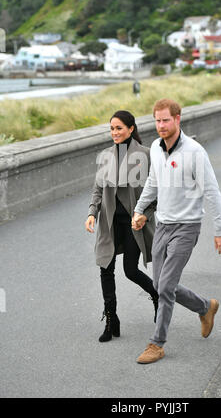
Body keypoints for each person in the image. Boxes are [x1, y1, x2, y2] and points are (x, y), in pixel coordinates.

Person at [131, 98, 221, 364]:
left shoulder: (195, 152)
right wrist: (140, 210)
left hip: (187, 227)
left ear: (177, 119)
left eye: (165, 120)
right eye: (157, 120)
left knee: (165, 289)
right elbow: (153, 182)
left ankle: (157, 344)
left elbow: (212, 191)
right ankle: (205, 307)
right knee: (159, 284)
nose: (161, 125)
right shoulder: (155, 147)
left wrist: (220, 230)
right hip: (162, 224)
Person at [85, 110, 158, 343]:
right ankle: (111, 319)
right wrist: (91, 213)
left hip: (133, 223)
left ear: (131, 129)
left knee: (130, 270)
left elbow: (155, 192)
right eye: (112, 129)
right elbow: (98, 189)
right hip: (109, 222)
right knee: (105, 268)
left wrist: (145, 215)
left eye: (119, 128)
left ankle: (157, 295)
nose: (114, 133)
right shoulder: (106, 156)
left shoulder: (145, 155)